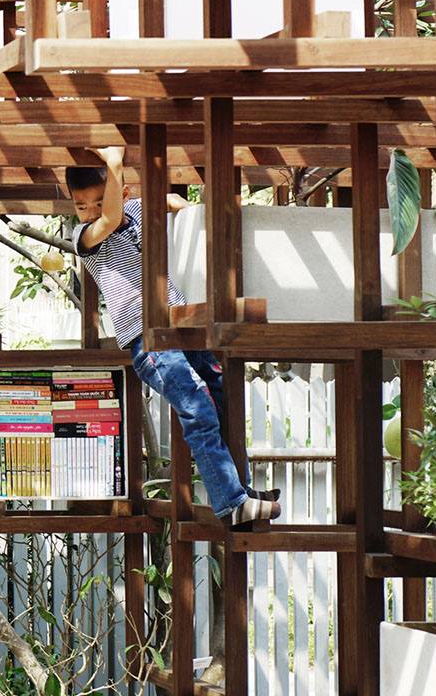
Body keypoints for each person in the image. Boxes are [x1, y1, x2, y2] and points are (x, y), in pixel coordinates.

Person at [66, 147, 280, 525]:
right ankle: (231, 503)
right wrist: (114, 161)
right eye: (83, 206)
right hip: (148, 341)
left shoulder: (133, 209)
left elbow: (172, 204)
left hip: (182, 331)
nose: (93, 211)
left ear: (122, 191)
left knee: (223, 400)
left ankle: (240, 489)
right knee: (197, 409)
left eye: (100, 201)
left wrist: (184, 210)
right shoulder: (84, 236)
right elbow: (112, 217)